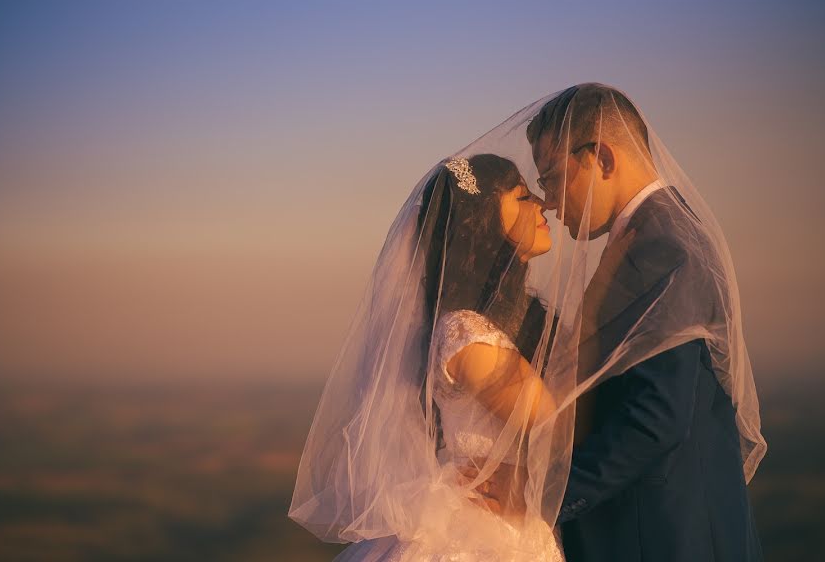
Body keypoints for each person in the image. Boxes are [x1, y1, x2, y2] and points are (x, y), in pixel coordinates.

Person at [525, 83, 766, 561]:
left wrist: (544, 501)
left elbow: (656, 417)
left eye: (552, 177)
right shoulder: (659, 230)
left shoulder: (658, 246)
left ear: (603, 160)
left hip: (662, 533)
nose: (548, 201)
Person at [290, 154, 566, 561]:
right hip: (490, 532)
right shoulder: (467, 335)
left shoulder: (507, 321)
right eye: (522, 195)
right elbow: (556, 427)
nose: (541, 204)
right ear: (484, 222)